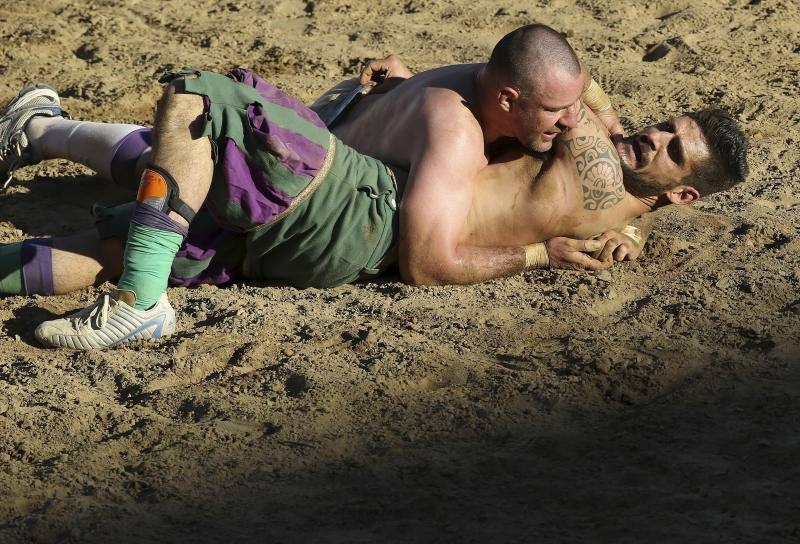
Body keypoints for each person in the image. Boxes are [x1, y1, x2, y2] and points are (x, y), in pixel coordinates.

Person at [0, 30, 747, 350]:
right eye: (660, 126)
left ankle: (130, 290)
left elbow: (563, 74)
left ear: (683, 194)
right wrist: (635, 227)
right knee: (130, 240)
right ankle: (44, 141)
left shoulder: (589, 158)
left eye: (671, 149)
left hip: (361, 204)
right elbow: (565, 92)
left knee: (199, 105)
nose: (648, 137)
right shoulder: (620, 208)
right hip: (343, 235)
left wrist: (547, 253)